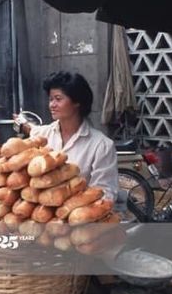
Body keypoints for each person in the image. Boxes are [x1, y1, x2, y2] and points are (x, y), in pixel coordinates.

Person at [25, 71, 118, 202]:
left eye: (58, 99)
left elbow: (105, 194)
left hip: (80, 218)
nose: (52, 104)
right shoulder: (42, 135)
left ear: (77, 102)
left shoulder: (101, 146)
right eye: (51, 99)